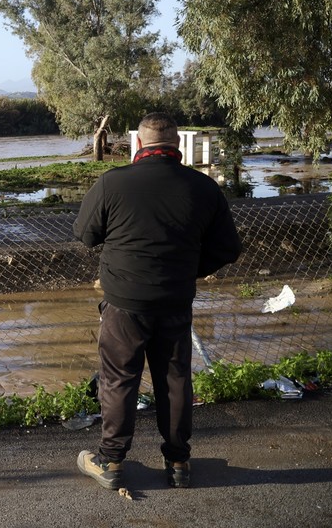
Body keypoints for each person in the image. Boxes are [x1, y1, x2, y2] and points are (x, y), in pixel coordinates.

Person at [72, 113, 242, 490]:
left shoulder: (111, 183)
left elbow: (85, 235)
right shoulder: (203, 188)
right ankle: (179, 461)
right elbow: (229, 248)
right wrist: (190, 269)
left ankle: (112, 461)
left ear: (137, 145)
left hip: (124, 303)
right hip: (175, 300)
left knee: (119, 380)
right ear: (177, 146)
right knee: (174, 379)